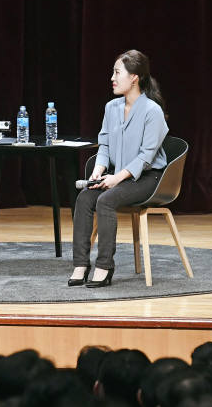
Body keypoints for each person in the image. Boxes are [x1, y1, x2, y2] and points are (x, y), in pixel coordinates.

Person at [69, 49, 168, 288]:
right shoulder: (111, 108)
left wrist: (116, 179)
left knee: (105, 201)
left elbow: (146, 157)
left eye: (117, 72)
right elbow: (104, 143)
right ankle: (81, 263)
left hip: (147, 178)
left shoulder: (152, 112)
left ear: (134, 77)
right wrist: (100, 168)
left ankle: (105, 266)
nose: (112, 78)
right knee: (84, 198)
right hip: (119, 175)